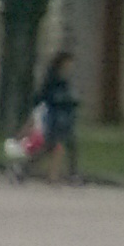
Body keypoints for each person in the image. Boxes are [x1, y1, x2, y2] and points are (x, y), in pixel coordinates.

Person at [33, 51, 82, 184]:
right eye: (68, 63)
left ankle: (73, 173)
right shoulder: (53, 79)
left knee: (71, 144)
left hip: (65, 117)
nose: (70, 67)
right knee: (50, 146)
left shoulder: (65, 80)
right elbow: (47, 97)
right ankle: (24, 169)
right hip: (55, 117)